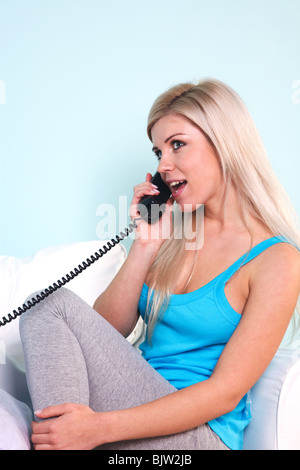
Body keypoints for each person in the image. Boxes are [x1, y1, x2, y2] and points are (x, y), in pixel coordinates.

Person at [20, 79, 300, 451]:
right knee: (48, 308)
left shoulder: (277, 260)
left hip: (199, 436)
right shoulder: (174, 239)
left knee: (50, 305)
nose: (164, 166)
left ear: (225, 144)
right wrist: (145, 245)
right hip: (136, 412)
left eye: (178, 145)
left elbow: (224, 394)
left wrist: (97, 429)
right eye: (158, 152)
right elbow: (101, 334)